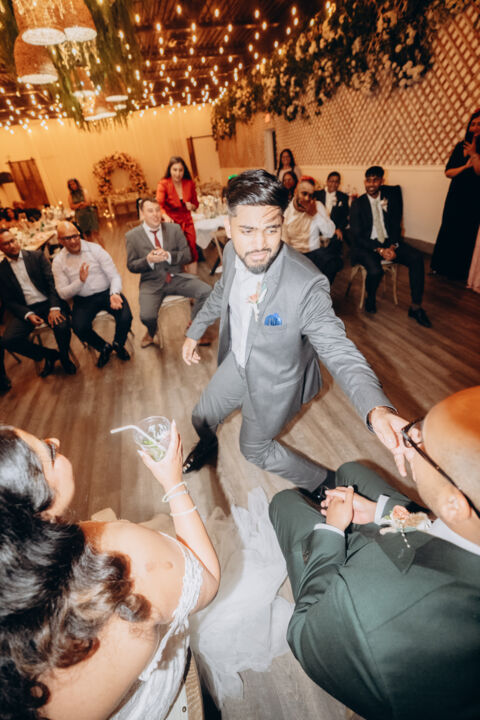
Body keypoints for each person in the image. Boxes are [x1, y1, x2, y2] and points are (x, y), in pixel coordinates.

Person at [181, 169, 409, 492]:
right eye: (247, 230)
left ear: (282, 222)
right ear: (228, 228)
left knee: (254, 449)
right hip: (238, 362)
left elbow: (339, 350)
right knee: (201, 417)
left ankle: (326, 483)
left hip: (275, 382)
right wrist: (196, 329)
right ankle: (207, 444)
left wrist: (378, 409)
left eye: (271, 229)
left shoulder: (306, 284)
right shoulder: (231, 253)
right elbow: (221, 292)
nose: (260, 244)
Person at [269, 385, 480, 720]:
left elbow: (303, 631)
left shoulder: (371, 616)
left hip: (353, 582)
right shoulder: (463, 518)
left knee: (283, 502)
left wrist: (332, 531)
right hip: (416, 540)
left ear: (454, 503)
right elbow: (452, 531)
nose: (409, 441)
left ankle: (316, 513)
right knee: (351, 471)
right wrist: (384, 513)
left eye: (421, 445)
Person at [0, 422, 220, 720]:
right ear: (36, 510)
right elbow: (208, 579)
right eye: (49, 451)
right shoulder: (129, 561)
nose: (55, 439)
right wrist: (173, 483)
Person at [350, 166, 432, 326]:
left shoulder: (390, 199)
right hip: (367, 246)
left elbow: (396, 227)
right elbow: (357, 236)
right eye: (368, 180)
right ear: (365, 182)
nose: (371, 184)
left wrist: (393, 247)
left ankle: (416, 307)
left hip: (389, 243)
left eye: (375, 180)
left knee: (416, 258)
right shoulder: (358, 204)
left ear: (382, 181)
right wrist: (380, 250)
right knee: (375, 270)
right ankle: (370, 297)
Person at [126, 198, 212, 348]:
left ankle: (194, 327)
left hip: (177, 277)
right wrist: (148, 260)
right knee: (146, 316)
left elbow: (187, 255)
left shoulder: (174, 229)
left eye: (157, 210)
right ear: (142, 213)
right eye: (150, 211)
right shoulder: (132, 236)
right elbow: (131, 266)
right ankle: (151, 332)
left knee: (206, 291)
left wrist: (169, 256)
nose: (155, 214)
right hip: (151, 282)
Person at [52, 221, 132, 368]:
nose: (74, 241)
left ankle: (118, 344)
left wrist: (114, 293)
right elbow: (62, 293)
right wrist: (80, 282)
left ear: (79, 234)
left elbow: (114, 276)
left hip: (107, 293)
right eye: (68, 238)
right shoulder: (58, 261)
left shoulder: (95, 250)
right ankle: (103, 347)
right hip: (83, 299)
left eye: (75, 236)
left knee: (125, 316)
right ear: (60, 241)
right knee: (79, 327)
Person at [0, 229, 76, 377]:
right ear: (1, 248)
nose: (12, 245)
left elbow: (52, 283)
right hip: (27, 309)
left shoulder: (36, 256)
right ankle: (50, 355)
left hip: (49, 303)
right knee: (8, 340)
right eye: (6, 244)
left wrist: (54, 308)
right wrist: (27, 314)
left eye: (13, 241)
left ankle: (65, 358)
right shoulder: (1, 270)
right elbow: (9, 301)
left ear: (17, 240)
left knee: (61, 326)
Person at [431, 110, 480, 281]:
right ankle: (440, 266)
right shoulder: (461, 146)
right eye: (473, 124)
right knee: (449, 226)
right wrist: (464, 167)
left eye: (479, 124)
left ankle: (460, 272)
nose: (475, 127)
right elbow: (448, 172)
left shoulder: (475, 150)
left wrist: (474, 154)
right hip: (456, 193)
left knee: (467, 231)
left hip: (474, 196)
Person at [282, 175, 343, 285]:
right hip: (294, 254)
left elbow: (330, 233)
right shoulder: (286, 210)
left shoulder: (317, 206)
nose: (307, 198)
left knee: (334, 263)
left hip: (313, 252)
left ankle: (321, 291)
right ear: (296, 192)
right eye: (304, 193)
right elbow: (283, 241)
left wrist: (315, 214)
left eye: (310, 195)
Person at [156, 156, 199, 273]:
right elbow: (158, 205)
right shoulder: (164, 184)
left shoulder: (189, 183)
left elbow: (196, 204)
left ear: (184, 171)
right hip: (171, 223)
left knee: (191, 250)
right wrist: (165, 216)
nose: (178, 173)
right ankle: (182, 278)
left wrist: (192, 206)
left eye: (180, 170)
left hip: (187, 222)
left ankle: (193, 279)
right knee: (177, 251)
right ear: (169, 170)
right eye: (175, 170)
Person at [314, 171, 350, 245]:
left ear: (339, 183)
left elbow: (345, 217)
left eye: (336, 182)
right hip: (318, 229)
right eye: (331, 181)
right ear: (327, 182)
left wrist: (339, 229)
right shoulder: (317, 194)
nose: (334, 184)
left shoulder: (343, 197)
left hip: (334, 231)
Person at [67, 178, 103, 247]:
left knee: (96, 232)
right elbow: (71, 206)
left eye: (73, 184)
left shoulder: (83, 191)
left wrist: (77, 206)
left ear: (77, 183)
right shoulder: (70, 195)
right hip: (81, 216)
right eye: (70, 185)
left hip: (89, 214)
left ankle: (103, 249)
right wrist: (80, 204)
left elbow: (88, 202)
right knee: (87, 234)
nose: (72, 186)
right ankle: (92, 249)